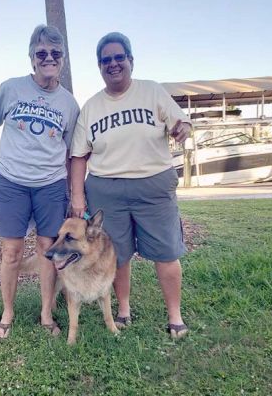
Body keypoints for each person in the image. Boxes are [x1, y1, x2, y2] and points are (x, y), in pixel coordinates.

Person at [70, 32, 191, 339]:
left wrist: (183, 128)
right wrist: (78, 196)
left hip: (153, 186)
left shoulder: (152, 92)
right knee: (117, 255)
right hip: (106, 189)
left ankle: (174, 315)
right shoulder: (91, 106)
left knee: (166, 252)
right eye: (106, 60)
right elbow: (79, 156)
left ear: (130, 61)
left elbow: (181, 122)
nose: (113, 64)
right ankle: (123, 309)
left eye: (118, 57)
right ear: (99, 66)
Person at [0, 25, 79, 339]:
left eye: (55, 53)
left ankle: (46, 313)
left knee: (46, 250)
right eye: (42, 53)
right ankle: (8, 312)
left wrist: (67, 187)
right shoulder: (11, 88)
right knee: (11, 252)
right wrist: (1, 162)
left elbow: (69, 150)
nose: (48, 58)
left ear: (62, 60)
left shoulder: (69, 104)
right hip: (12, 183)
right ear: (32, 58)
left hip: (50, 185)